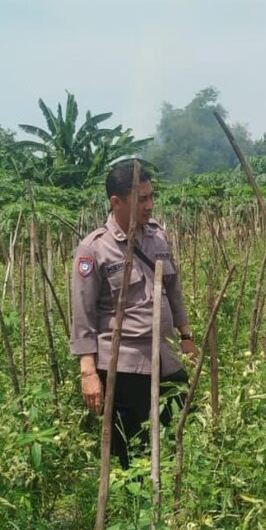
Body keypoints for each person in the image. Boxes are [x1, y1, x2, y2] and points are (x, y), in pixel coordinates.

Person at [70, 160, 197, 468]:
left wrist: (186, 336)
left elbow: (173, 290)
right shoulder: (94, 249)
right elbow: (82, 314)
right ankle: (141, 513)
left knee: (185, 435)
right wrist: (88, 372)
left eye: (152, 196)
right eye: (142, 199)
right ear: (116, 202)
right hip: (124, 365)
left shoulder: (158, 238)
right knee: (134, 453)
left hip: (165, 358)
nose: (150, 205)